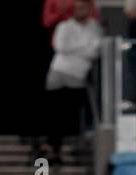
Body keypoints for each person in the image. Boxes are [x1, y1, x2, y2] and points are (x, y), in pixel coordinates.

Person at [44, 0, 103, 160]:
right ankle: (52, 147)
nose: (78, 11)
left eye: (82, 8)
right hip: (59, 71)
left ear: (89, 9)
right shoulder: (64, 26)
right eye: (76, 8)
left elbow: (95, 52)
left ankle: (64, 147)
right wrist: (84, 48)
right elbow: (60, 47)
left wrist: (75, 48)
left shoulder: (94, 27)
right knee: (55, 112)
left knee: (71, 114)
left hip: (77, 75)